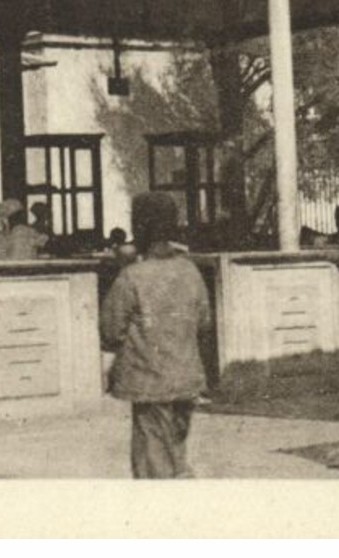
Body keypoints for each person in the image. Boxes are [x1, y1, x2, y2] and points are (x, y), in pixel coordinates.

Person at [100, 191, 212, 479]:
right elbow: (204, 322)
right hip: (186, 377)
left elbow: (111, 329)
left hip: (148, 382)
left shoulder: (132, 276)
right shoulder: (190, 271)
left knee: (152, 462)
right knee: (177, 453)